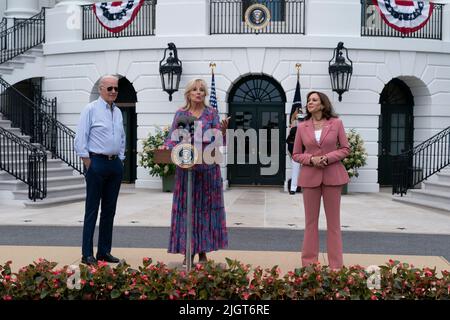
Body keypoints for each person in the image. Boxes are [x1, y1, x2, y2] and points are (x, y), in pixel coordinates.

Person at [163, 78, 229, 266]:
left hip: (208, 171)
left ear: (205, 93)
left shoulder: (211, 114)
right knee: (188, 211)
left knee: (206, 212)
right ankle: (188, 251)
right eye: (194, 89)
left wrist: (223, 132)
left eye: (201, 89)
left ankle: (203, 252)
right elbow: (171, 140)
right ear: (188, 93)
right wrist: (167, 147)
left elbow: (220, 142)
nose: (198, 92)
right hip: (186, 171)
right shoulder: (181, 114)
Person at [292, 91, 350, 269]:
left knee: (334, 224)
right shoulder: (302, 127)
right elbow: (295, 154)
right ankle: (309, 265)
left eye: (314, 100)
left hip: (333, 176)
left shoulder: (336, 123)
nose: (310, 102)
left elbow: (345, 148)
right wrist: (311, 159)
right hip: (310, 178)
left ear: (323, 104)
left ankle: (336, 266)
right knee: (310, 223)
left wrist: (328, 157)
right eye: (309, 100)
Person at [74, 75, 125, 266]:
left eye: (116, 88)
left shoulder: (118, 112)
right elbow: (81, 138)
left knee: (109, 211)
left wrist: (120, 160)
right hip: (96, 163)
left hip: (114, 165)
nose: (113, 91)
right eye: (109, 88)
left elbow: (121, 138)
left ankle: (104, 251)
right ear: (101, 89)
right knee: (92, 210)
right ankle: (87, 254)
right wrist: (89, 164)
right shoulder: (90, 109)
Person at [286, 110, 301, 195]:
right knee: (295, 171)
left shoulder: (308, 128)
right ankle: (293, 188)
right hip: (296, 153)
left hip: (306, 153)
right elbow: (288, 141)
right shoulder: (294, 129)